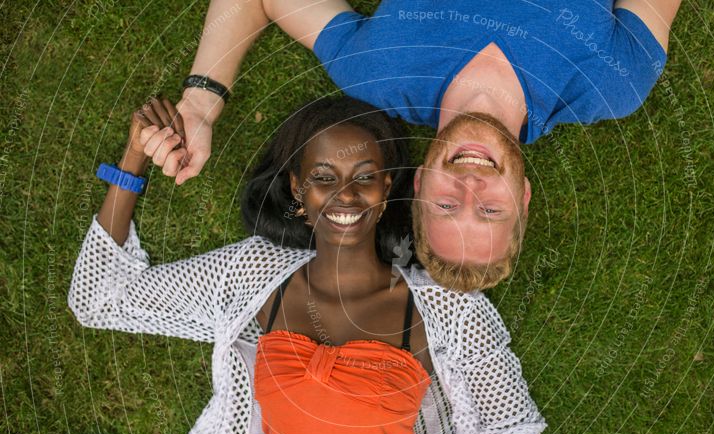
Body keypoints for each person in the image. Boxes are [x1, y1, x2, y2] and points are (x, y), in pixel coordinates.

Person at [35, 96, 678, 434]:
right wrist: (131, 160)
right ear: (296, 191)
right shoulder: (252, 275)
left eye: (364, 176)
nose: (345, 196)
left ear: (389, 187)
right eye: (323, 177)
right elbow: (103, 299)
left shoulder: (448, 311)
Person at [155, 0, 682, 291]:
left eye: (448, 205)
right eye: (491, 209)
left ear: (419, 186)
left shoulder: (378, 71)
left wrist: (202, 103)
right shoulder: (613, 82)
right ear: (522, 197)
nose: (471, 186)